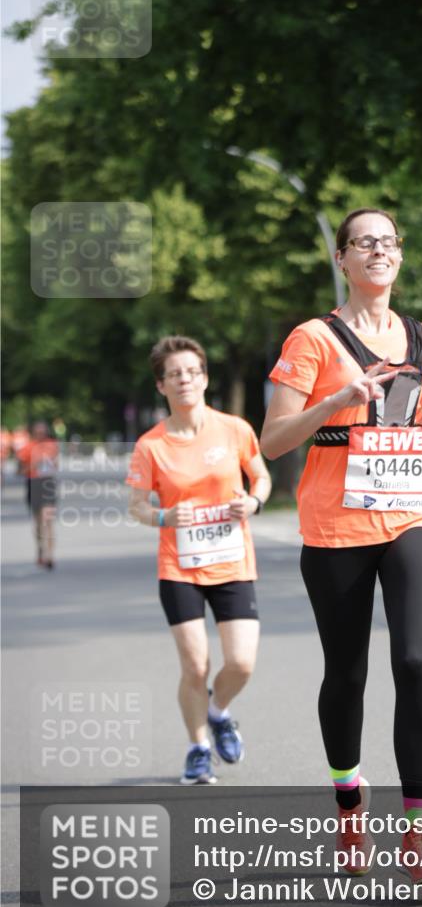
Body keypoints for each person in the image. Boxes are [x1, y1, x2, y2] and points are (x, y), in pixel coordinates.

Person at [261, 208, 422, 884]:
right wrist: (337, 399)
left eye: (387, 241)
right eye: (363, 242)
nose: (377, 250)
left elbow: (414, 438)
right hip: (334, 525)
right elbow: (274, 440)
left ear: (398, 257)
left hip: (411, 515)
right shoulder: (313, 338)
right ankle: (349, 806)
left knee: (413, 659)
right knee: (347, 674)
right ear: (342, 259)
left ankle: (418, 832)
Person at [127, 336, 271, 785]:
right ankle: (198, 748)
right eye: (174, 374)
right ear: (161, 386)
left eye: (192, 371)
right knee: (195, 666)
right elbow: (136, 506)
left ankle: (218, 711)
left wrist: (253, 502)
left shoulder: (234, 429)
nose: (184, 380)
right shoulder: (151, 445)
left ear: (205, 378)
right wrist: (166, 515)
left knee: (242, 663)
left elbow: (261, 476)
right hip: (180, 567)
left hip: (232, 563)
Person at [16, 421, 59, 569]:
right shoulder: (27, 448)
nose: (41, 435)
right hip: (33, 484)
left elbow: (55, 464)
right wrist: (32, 466)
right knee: (38, 523)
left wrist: (52, 464)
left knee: (48, 520)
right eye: (38, 433)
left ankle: (49, 555)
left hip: (48, 484)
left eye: (43, 432)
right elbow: (19, 472)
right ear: (33, 433)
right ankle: (41, 548)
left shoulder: (52, 445)